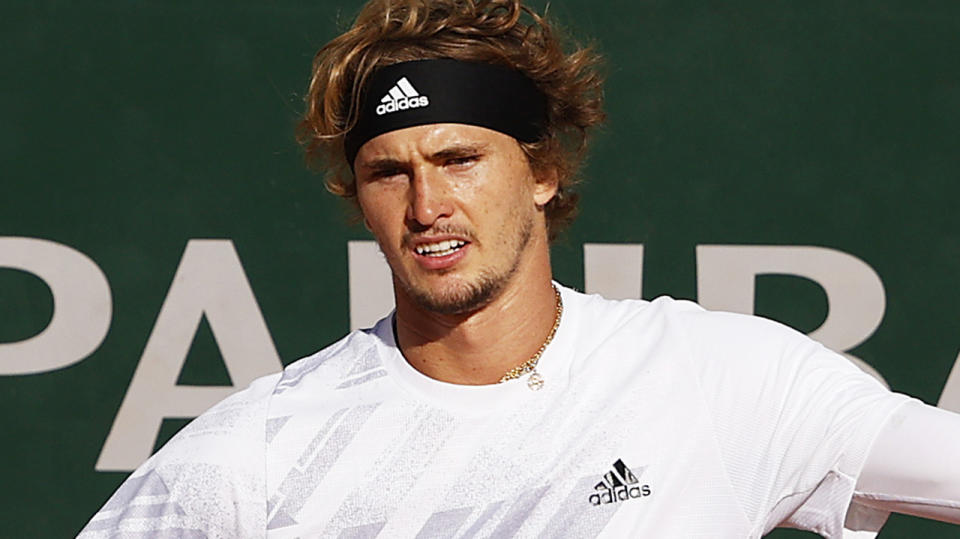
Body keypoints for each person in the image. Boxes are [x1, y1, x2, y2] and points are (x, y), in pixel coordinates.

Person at [80, 0, 960, 537]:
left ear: (542, 172)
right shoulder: (254, 456)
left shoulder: (719, 379)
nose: (427, 205)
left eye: (459, 158)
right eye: (390, 172)